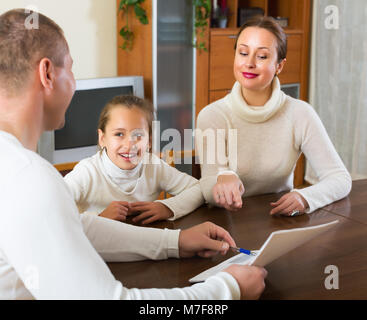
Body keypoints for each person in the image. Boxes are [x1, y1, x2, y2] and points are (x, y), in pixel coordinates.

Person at [0, 9, 267, 300]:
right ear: (48, 73)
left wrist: (175, 241)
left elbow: (78, 226)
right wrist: (227, 289)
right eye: (71, 69)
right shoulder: (28, 177)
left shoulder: (15, 169)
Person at [196, 16, 351, 215]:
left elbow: (339, 178)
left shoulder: (300, 113)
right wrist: (222, 179)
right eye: (243, 53)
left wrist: (305, 197)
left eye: (261, 56)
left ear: (279, 66)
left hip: (280, 218)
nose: (249, 63)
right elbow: (208, 189)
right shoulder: (212, 116)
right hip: (227, 224)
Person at [64, 95, 203, 224]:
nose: (129, 144)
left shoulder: (153, 165)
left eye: (138, 135)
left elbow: (199, 189)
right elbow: (52, 209)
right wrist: (100, 218)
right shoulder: (87, 172)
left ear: (149, 141)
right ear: (102, 138)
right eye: (119, 134)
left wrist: (167, 208)